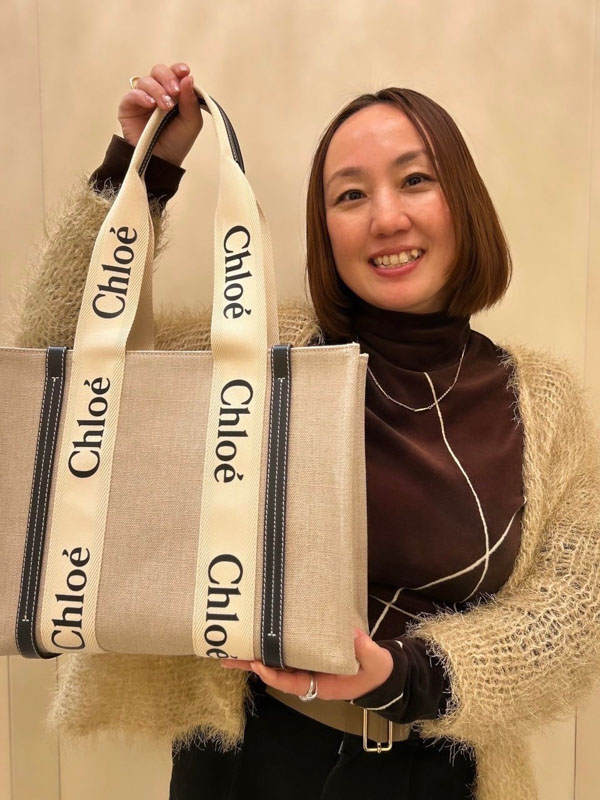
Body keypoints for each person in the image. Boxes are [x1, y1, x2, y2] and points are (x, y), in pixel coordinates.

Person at [13, 62, 600, 800]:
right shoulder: (265, 361)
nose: (386, 218)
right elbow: (67, 374)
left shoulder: (543, 401)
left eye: (415, 180)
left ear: (464, 201)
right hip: (247, 764)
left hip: (440, 775)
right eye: (350, 194)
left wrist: (404, 675)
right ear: (325, 230)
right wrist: (142, 169)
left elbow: (574, 608)